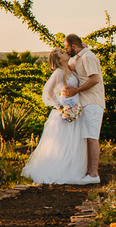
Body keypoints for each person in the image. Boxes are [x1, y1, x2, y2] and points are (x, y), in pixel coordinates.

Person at [22, 49, 91, 184]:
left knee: (73, 142)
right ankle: (59, 170)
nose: (64, 52)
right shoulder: (58, 72)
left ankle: (72, 169)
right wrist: (60, 107)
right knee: (63, 143)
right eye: (61, 53)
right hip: (64, 111)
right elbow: (48, 91)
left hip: (74, 109)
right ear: (58, 60)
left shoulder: (71, 70)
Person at [61, 34, 105, 184]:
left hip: (93, 101)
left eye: (67, 47)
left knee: (92, 137)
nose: (65, 50)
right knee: (87, 137)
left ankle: (93, 175)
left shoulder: (88, 57)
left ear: (73, 46)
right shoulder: (82, 56)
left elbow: (95, 79)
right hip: (86, 102)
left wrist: (76, 90)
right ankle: (89, 173)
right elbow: (72, 63)